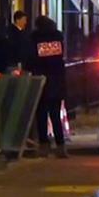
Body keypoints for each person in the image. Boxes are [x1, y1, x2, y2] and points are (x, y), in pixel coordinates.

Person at [26, 15, 69, 158]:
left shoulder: (35, 37)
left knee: (41, 115)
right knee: (55, 115)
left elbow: (31, 58)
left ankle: (44, 145)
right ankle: (60, 146)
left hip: (41, 81)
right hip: (56, 80)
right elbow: (59, 58)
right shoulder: (57, 36)